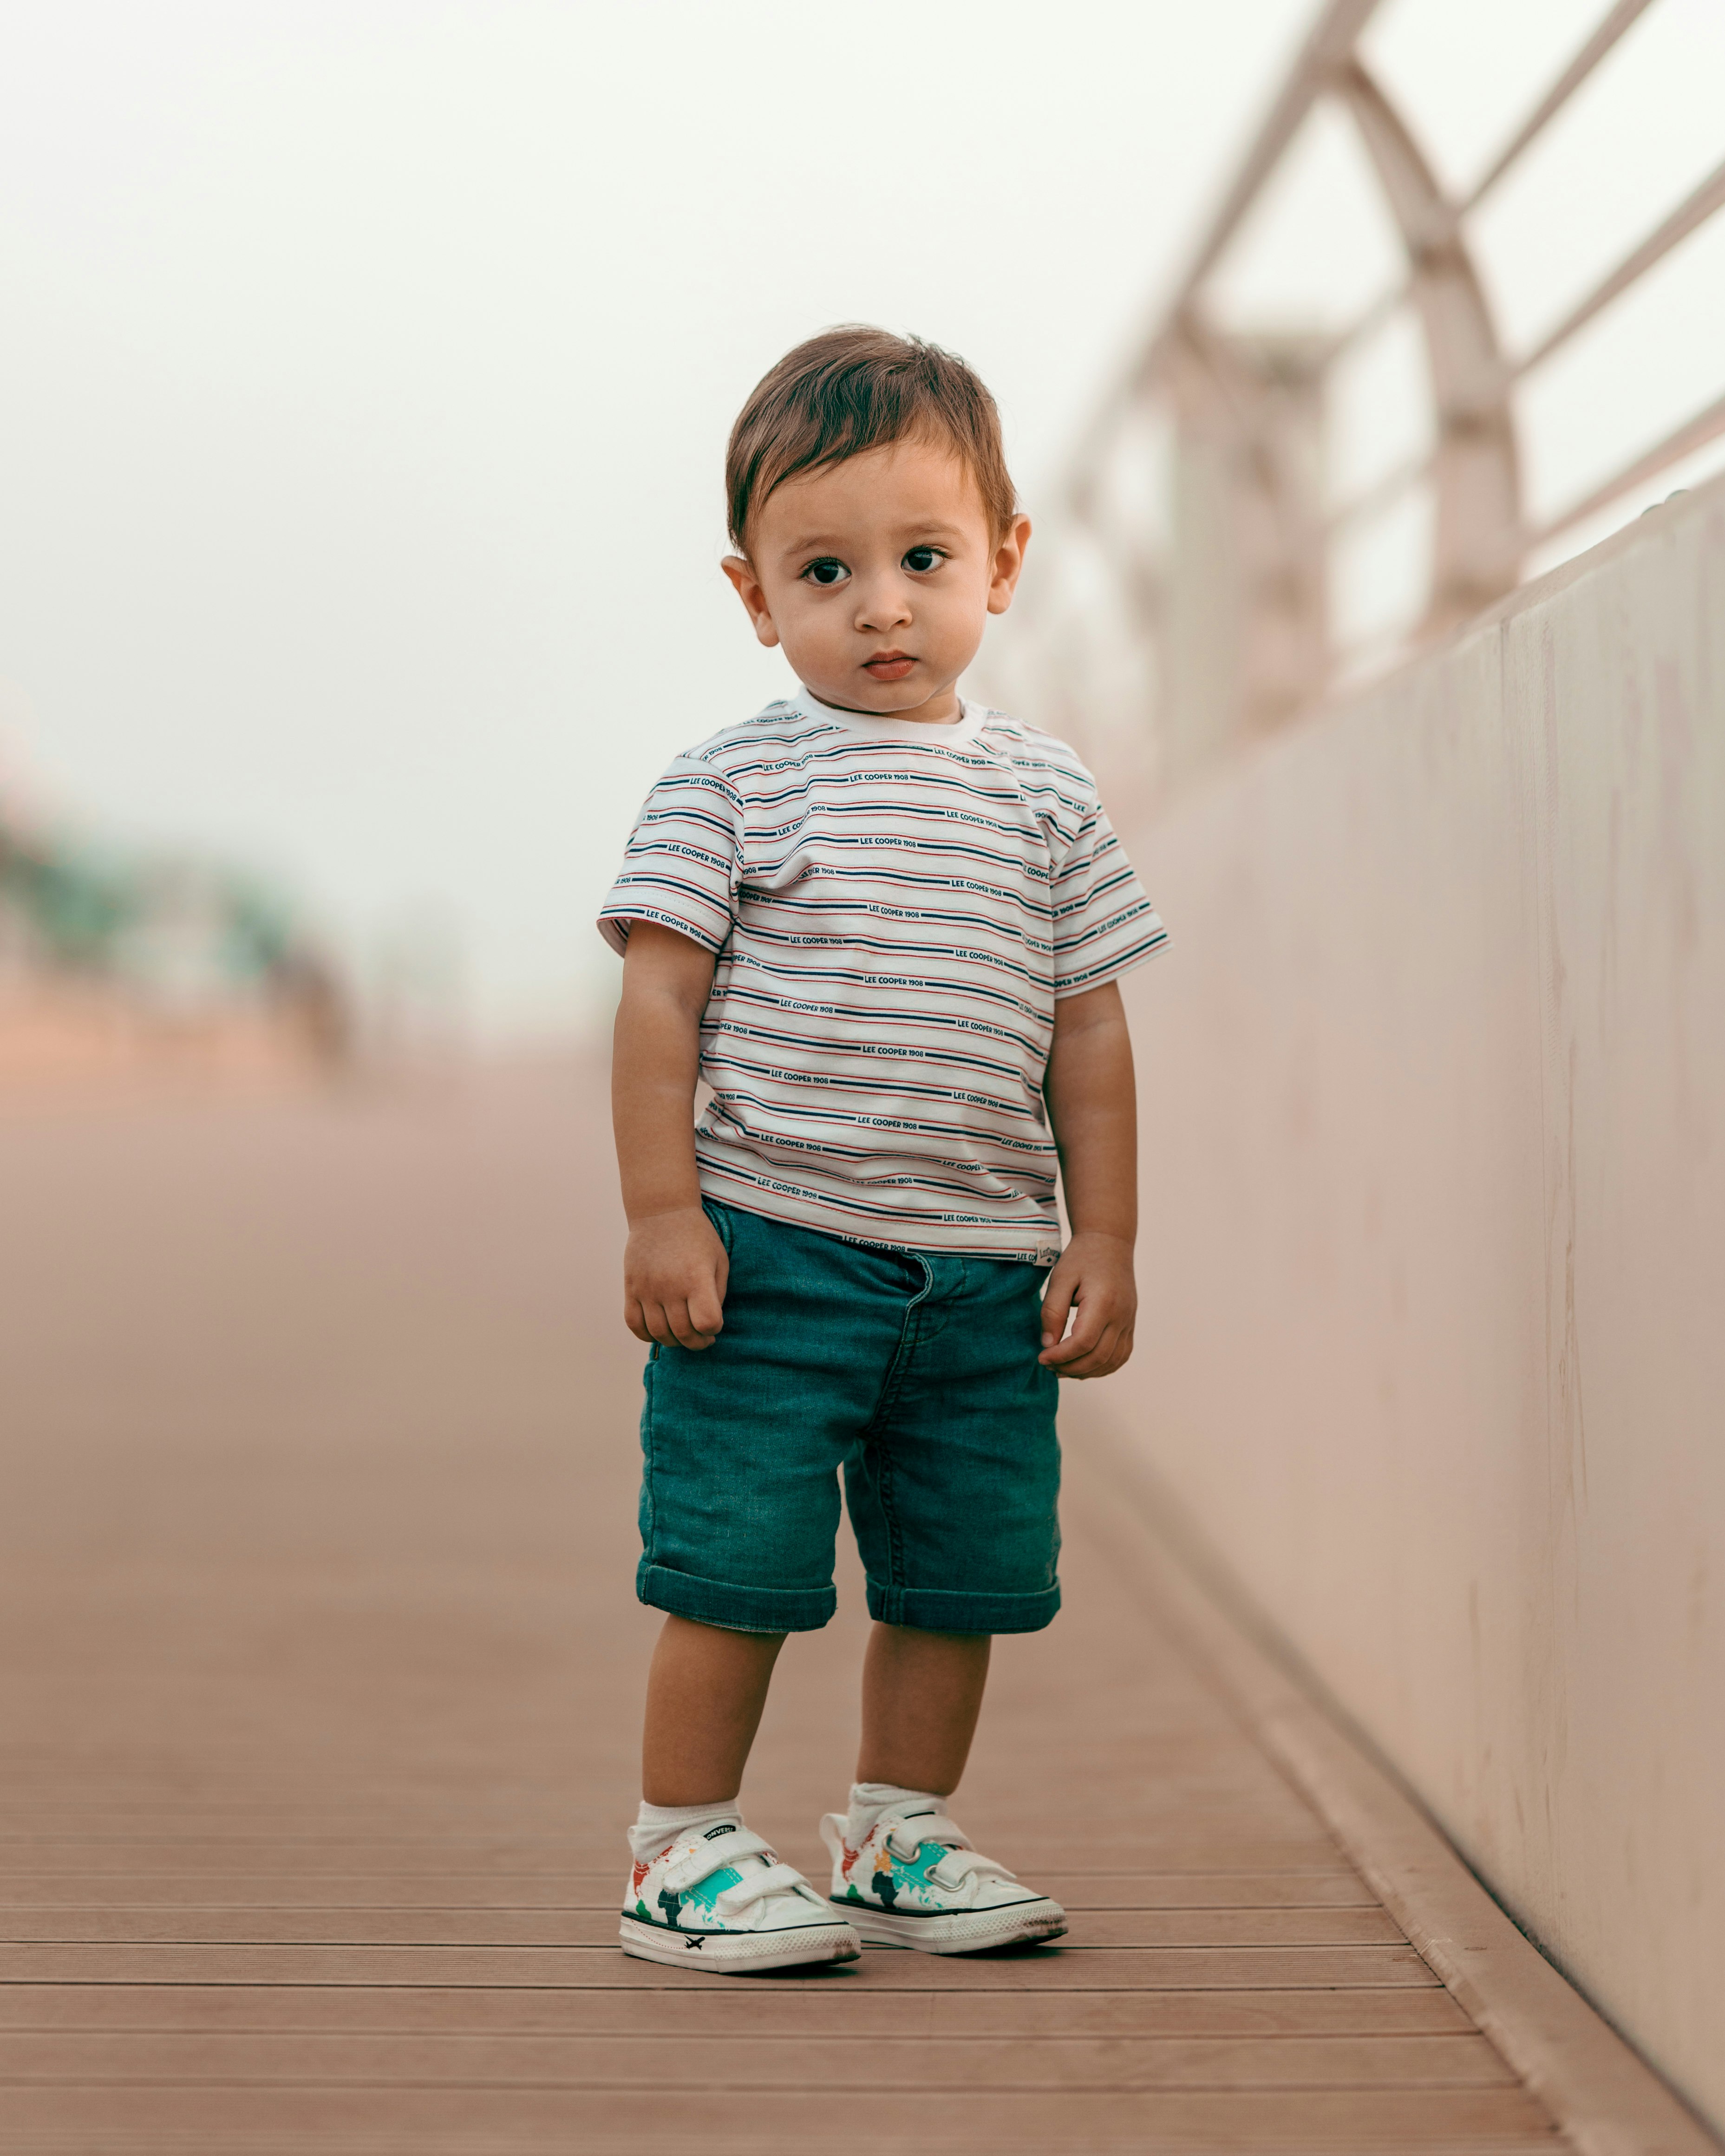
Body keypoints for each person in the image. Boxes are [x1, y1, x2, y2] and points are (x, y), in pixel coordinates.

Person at [598, 327, 1167, 1973]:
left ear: (1003, 557)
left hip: (984, 1268)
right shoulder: (728, 785)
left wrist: (1106, 1235)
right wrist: (662, 1211)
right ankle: (679, 1846)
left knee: (959, 1569)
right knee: (735, 1555)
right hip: (773, 1248)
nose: (881, 605)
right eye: (824, 569)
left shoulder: (1045, 795)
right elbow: (659, 1009)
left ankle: (893, 1827)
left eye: (923, 559)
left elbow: (1091, 1033)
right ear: (753, 596)